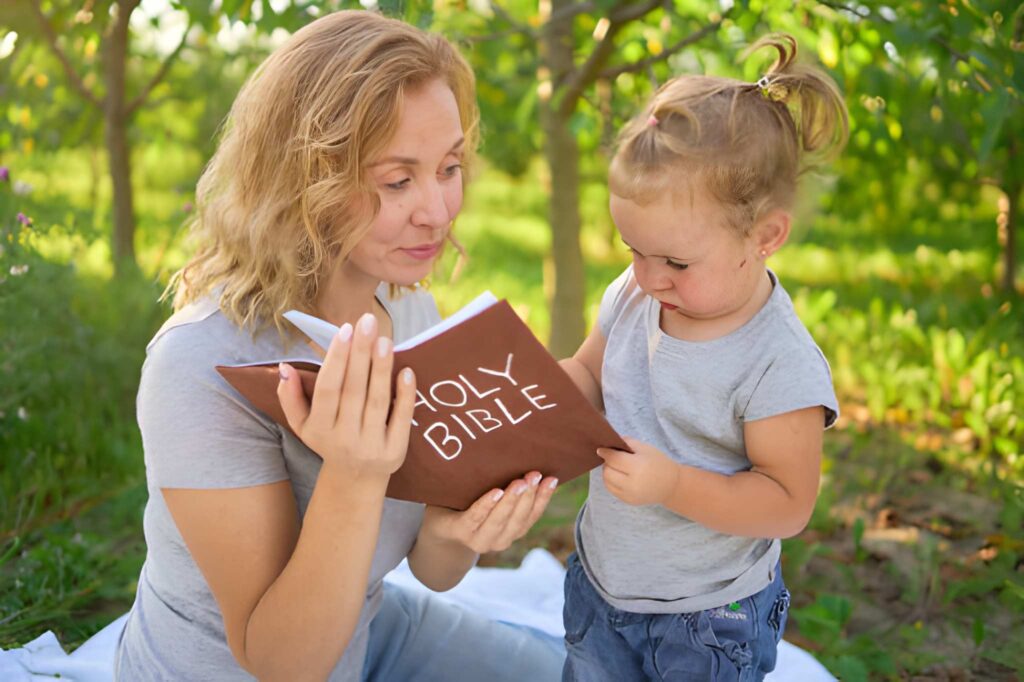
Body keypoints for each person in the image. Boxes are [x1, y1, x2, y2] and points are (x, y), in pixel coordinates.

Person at [114, 11, 564, 681]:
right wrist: (353, 474)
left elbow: (432, 569)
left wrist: (465, 532)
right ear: (305, 178)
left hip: (368, 629)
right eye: (397, 181)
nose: (437, 211)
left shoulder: (410, 310)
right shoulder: (199, 365)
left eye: (449, 167)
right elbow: (282, 661)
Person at [557, 35, 848, 681]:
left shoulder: (779, 363)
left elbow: (786, 503)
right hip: (603, 583)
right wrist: (547, 391)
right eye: (633, 248)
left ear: (765, 236)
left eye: (675, 262)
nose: (648, 276)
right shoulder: (636, 295)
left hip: (708, 619)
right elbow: (588, 376)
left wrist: (675, 486)